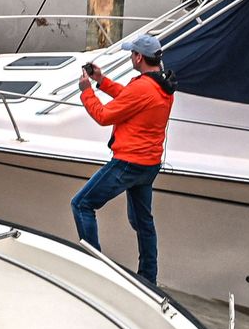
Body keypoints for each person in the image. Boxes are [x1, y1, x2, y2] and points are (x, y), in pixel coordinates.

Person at [72, 32, 176, 286]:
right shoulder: (162, 85)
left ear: (139, 57)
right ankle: (148, 277)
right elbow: (129, 99)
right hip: (149, 165)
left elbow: (104, 116)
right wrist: (101, 81)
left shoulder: (142, 87)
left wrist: (87, 92)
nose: (131, 56)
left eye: (132, 53)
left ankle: (95, 266)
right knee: (142, 221)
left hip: (128, 163)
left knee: (82, 205)